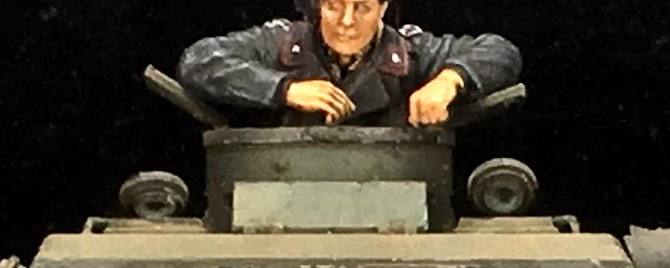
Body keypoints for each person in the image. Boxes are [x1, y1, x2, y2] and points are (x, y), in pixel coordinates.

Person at [178, 1, 521, 127]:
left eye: (362, 8)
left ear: (383, 9)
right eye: (334, 6)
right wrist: (282, 89)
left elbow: (500, 52)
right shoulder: (281, 42)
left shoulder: (410, 50)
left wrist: (451, 80)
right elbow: (199, 60)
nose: (346, 21)